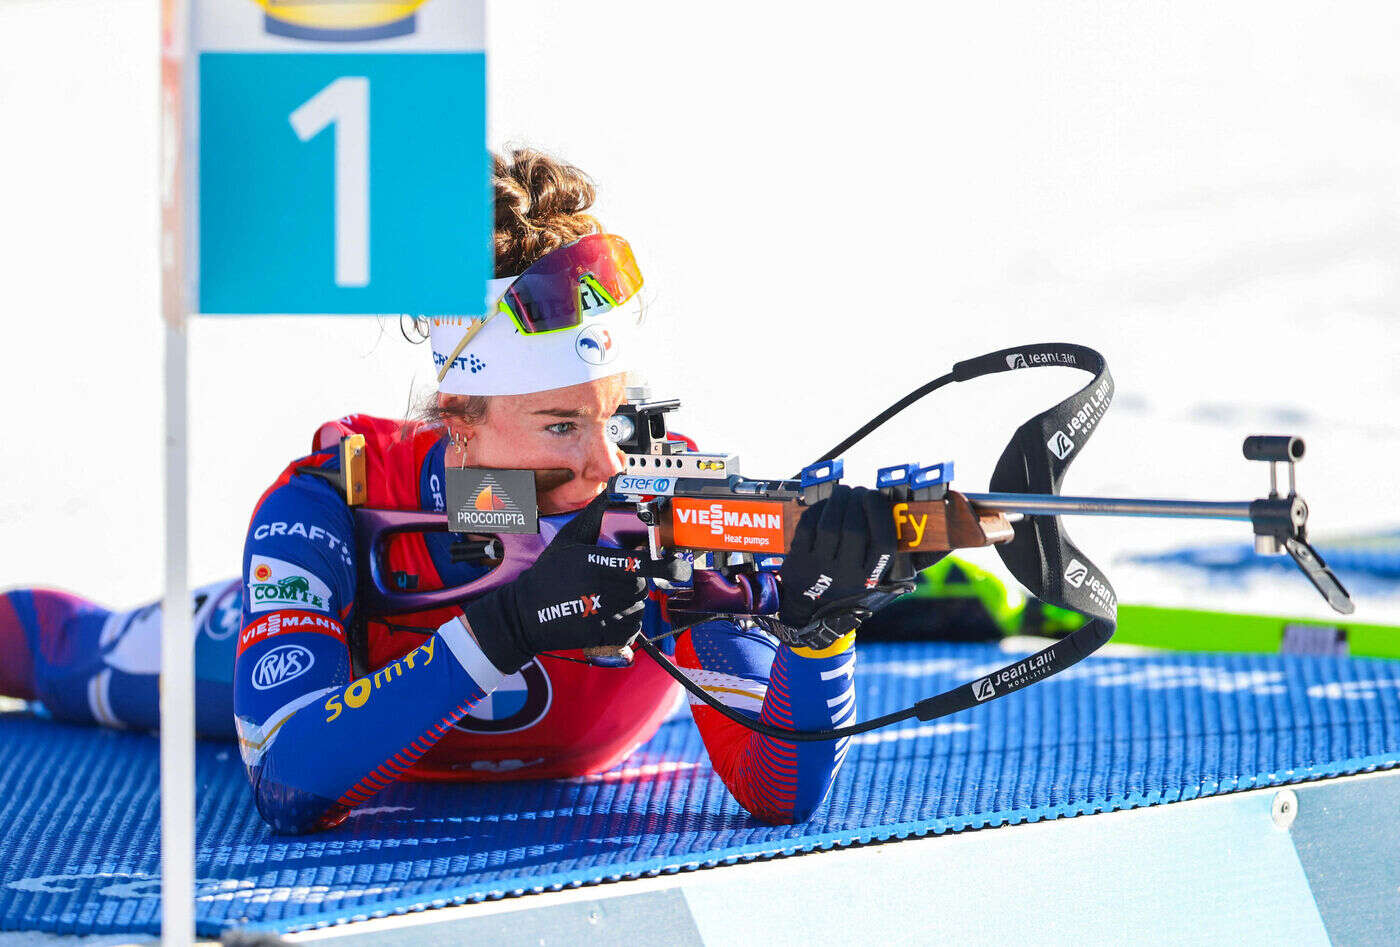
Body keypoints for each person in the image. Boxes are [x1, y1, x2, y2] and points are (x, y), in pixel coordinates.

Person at [0, 149, 914, 834]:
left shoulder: (660, 491)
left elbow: (776, 791)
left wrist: (819, 635)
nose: (606, 461)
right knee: (70, 657)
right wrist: (508, 628)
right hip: (321, 676)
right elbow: (286, 778)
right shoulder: (342, 494)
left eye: (616, 413)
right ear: (457, 416)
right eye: (560, 425)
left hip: (567, 752)